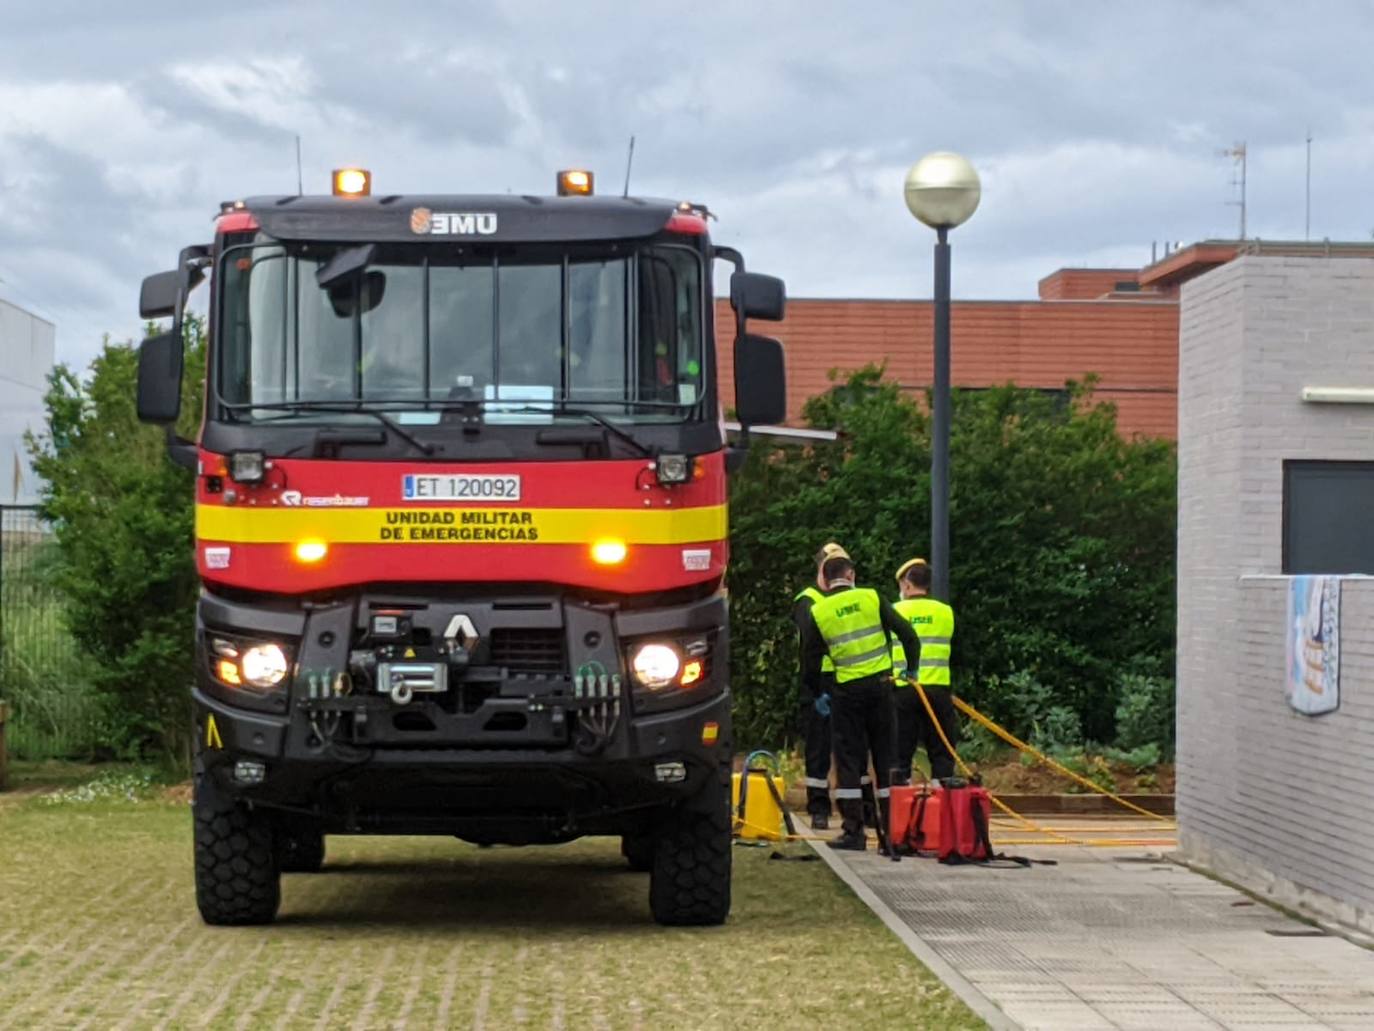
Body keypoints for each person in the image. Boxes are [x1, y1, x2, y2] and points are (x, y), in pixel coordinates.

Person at [800, 553, 921, 851]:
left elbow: (809, 662)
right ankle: (893, 833)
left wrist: (817, 694)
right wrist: (912, 669)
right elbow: (908, 635)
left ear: (825, 581)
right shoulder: (871, 598)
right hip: (881, 689)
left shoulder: (820, 611)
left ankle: (854, 832)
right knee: (886, 758)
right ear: (851, 575)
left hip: (845, 694)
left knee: (849, 761)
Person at [791, 542, 848, 830]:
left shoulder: (853, 599)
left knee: (852, 747)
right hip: (819, 683)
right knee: (818, 748)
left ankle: (857, 811)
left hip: (847, 679)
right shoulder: (808, 600)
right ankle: (819, 808)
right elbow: (812, 643)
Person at [889, 558, 960, 783]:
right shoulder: (945, 612)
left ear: (907, 586)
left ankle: (901, 808)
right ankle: (944, 807)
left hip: (904, 691)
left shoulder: (893, 611)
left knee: (900, 755)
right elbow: (957, 650)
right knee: (942, 753)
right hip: (938, 690)